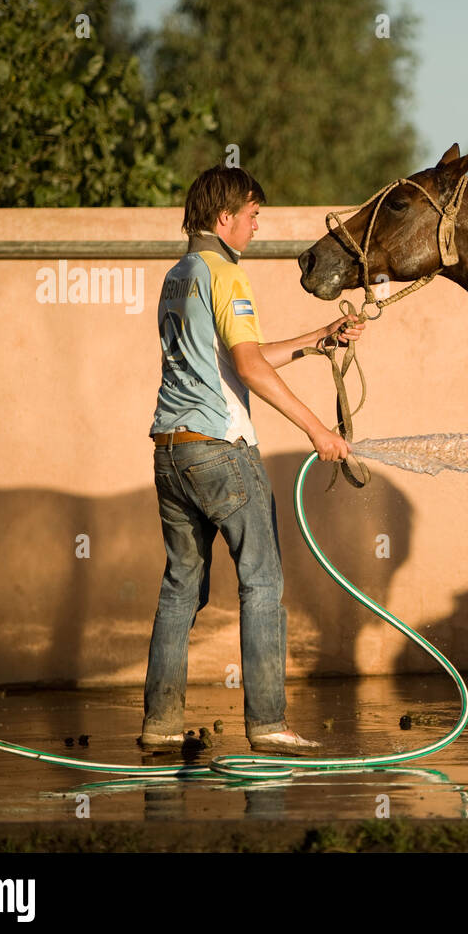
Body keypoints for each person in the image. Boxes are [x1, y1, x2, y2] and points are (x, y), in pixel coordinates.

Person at [142, 165, 365, 756]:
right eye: (252, 215)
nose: (257, 227)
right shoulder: (227, 275)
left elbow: (239, 356)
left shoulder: (177, 276)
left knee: (178, 588)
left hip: (171, 452)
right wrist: (318, 428)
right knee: (261, 583)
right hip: (222, 452)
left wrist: (322, 337)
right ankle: (268, 725)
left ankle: (159, 726)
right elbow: (247, 368)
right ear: (224, 218)